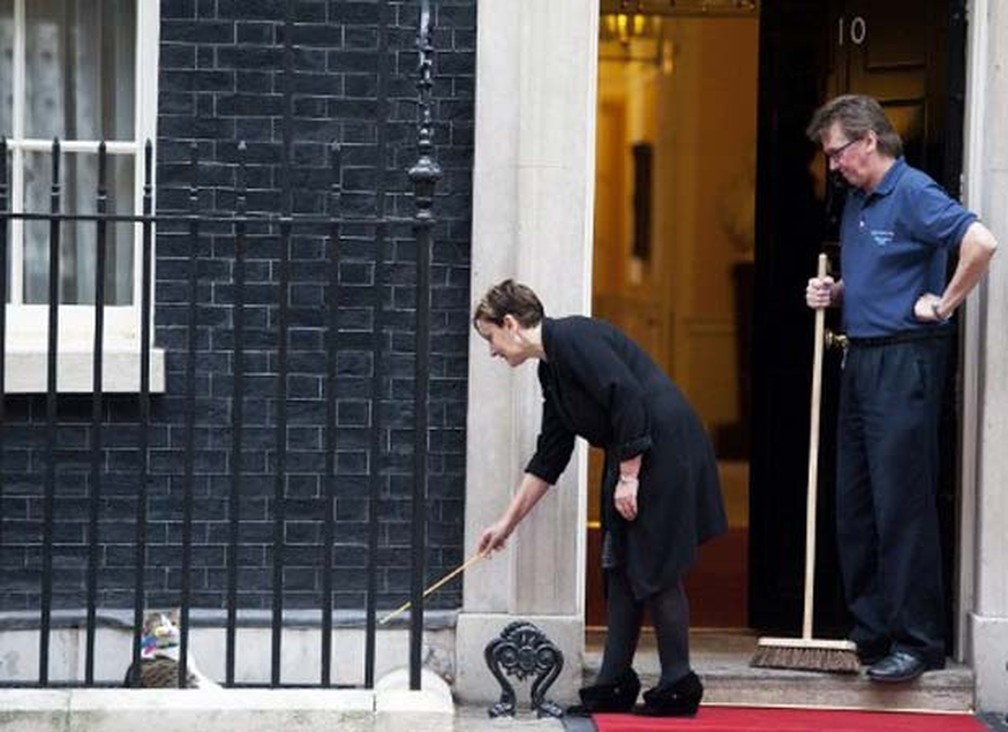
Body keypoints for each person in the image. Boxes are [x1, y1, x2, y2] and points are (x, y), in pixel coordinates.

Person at [805, 95, 998, 683]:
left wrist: (943, 304)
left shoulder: (913, 191)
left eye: (837, 152)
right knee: (855, 504)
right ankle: (872, 635)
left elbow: (982, 242)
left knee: (901, 505)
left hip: (905, 361)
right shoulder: (858, 202)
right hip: (860, 358)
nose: (832, 165)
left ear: (868, 141)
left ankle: (918, 643)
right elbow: (875, 277)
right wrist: (836, 294)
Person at [473, 279, 727, 717]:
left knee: (654, 562)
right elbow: (551, 454)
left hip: (663, 448)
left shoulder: (573, 337)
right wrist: (506, 523)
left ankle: (678, 684)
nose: (493, 350)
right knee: (621, 562)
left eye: (490, 337)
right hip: (633, 451)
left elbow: (626, 395)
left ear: (510, 324)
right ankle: (613, 682)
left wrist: (629, 477)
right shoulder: (549, 367)